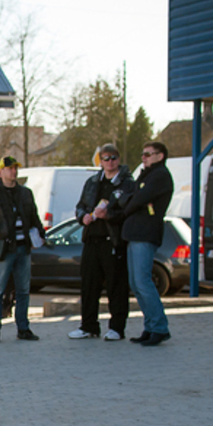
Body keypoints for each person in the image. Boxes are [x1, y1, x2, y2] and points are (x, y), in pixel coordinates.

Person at [68, 144, 136, 342]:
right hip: (91, 239)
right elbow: (80, 206)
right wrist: (83, 217)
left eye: (113, 157)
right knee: (89, 285)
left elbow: (128, 211)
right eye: (106, 158)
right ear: (100, 160)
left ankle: (117, 327)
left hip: (113, 241)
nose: (110, 162)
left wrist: (110, 215)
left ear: (118, 159)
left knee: (116, 286)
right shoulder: (92, 182)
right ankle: (88, 326)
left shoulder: (126, 184)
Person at [0, 156, 45, 343]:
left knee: (23, 291)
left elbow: (34, 216)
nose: (13, 171)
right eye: (10, 168)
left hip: (23, 247)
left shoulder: (25, 193)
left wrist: (40, 233)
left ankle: (23, 328)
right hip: (4, 248)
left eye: (15, 168)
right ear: (1, 171)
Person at [121, 142, 173, 346]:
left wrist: (131, 202)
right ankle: (150, 326)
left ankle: (159, 327)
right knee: (136, 283)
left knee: (143, 281)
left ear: (160, 156)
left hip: (145, 233)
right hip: (134, 233)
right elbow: (133, 197)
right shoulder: (146, 175)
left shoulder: (160, 176)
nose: (143, 158)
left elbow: (139, 197)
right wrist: (133, 201)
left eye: (148, 154)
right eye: (143, 154)